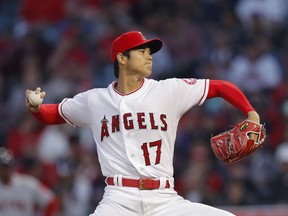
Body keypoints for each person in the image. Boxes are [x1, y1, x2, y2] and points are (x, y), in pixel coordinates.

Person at [25, 31, 261, 216]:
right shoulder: (94, 100)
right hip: (118, 199)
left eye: (150, 51)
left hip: (165, 199)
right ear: (121, 58)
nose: (149, 56)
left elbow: (219, 87)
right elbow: (54, 114)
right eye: (142, 51)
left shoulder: (168, 90)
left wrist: (251, 113)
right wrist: (36, 108)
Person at [0, 147, 59, 216]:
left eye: (6, 167)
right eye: (2, 168)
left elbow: (51, 202)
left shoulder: (28, 183)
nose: (4, 171)